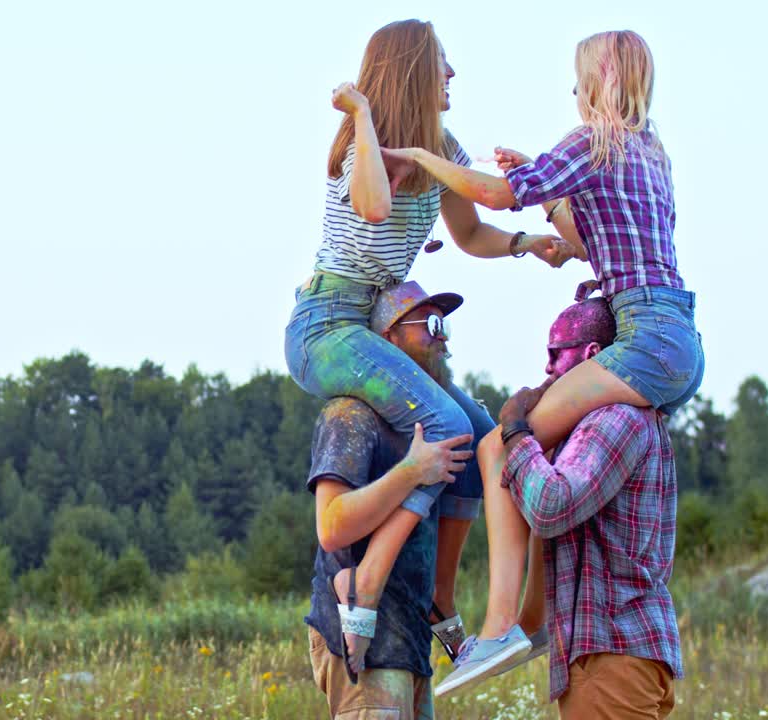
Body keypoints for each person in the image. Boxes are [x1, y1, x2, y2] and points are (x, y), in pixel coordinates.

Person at [390, 30, 704, 690]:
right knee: (554, 450)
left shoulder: (591, 138)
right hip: (678, 338)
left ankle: (502, 629)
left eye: (579, 76)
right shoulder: (653, 152)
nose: (572, 90)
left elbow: (499, 196)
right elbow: (585, 236)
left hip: (641, 338)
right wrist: (545, 179)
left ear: (601, 77)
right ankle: (532, 624)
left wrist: (427, 156)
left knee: (503, 445)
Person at [286, 18, 565, 678]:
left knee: (472, 436)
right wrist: (360, 115)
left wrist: (527, 244)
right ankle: (368, 581)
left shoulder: (445, 146)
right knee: (440, 424)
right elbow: (377, 208)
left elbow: (468, 232)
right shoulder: (362, 145)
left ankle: (441, 600)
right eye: (441, 64)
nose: (451, 76)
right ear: (412, 70)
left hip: (370, 325)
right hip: (329, 325)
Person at [470, 297, 683, 717]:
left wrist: (514, 432)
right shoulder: (615, 418)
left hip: (613, 655)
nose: (548, 368)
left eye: (555, 354)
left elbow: (551, 506)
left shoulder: (615, 417)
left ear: (592, 356)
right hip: (620, 653)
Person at [306, 280, 479, 719]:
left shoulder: (426, 423)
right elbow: (331, 528)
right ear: (387, 341)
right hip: (365, 645)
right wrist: (412, 471)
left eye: (446, 328)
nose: (443, 338)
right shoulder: (351, 414)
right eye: (430, 324)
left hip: (408, 639)